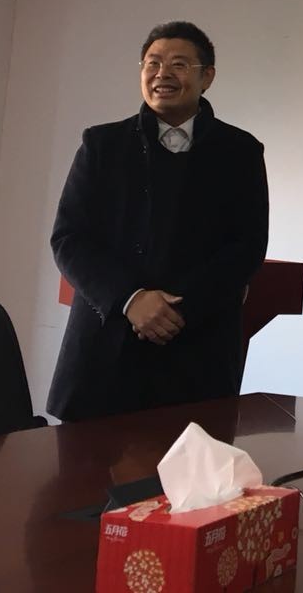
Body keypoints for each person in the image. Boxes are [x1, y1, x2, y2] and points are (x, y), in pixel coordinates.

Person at [47, 21, 268, 421]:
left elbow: (247, 247)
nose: (162, 74)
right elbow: (69, 238)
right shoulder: (102, 145)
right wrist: (130, 299)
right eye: (153, 63)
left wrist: (178, 309)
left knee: (196, 459)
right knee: (86, 461)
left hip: (198, 350)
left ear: (207, 77)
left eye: (179, 64)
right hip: (106, 346)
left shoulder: (240, 152)